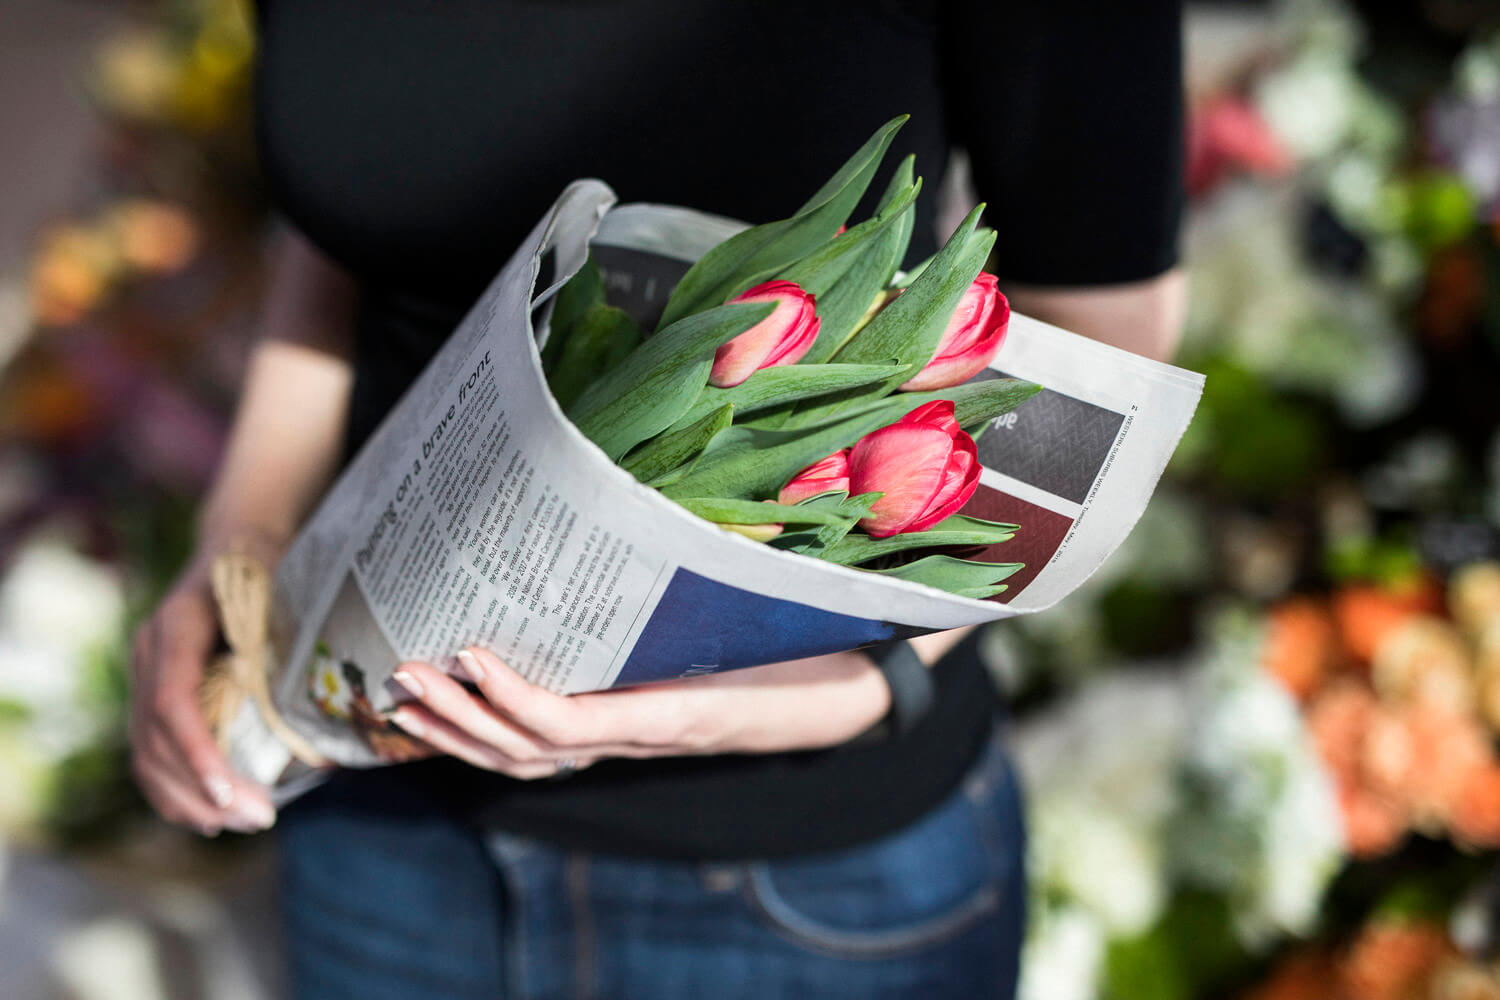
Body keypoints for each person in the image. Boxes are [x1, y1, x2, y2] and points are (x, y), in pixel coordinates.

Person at [129, 3, 1186, 997]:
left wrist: (851, 688)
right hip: (376, 819)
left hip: (788, 872)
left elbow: (1100, 347)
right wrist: (242, 543)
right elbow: (347, 241)